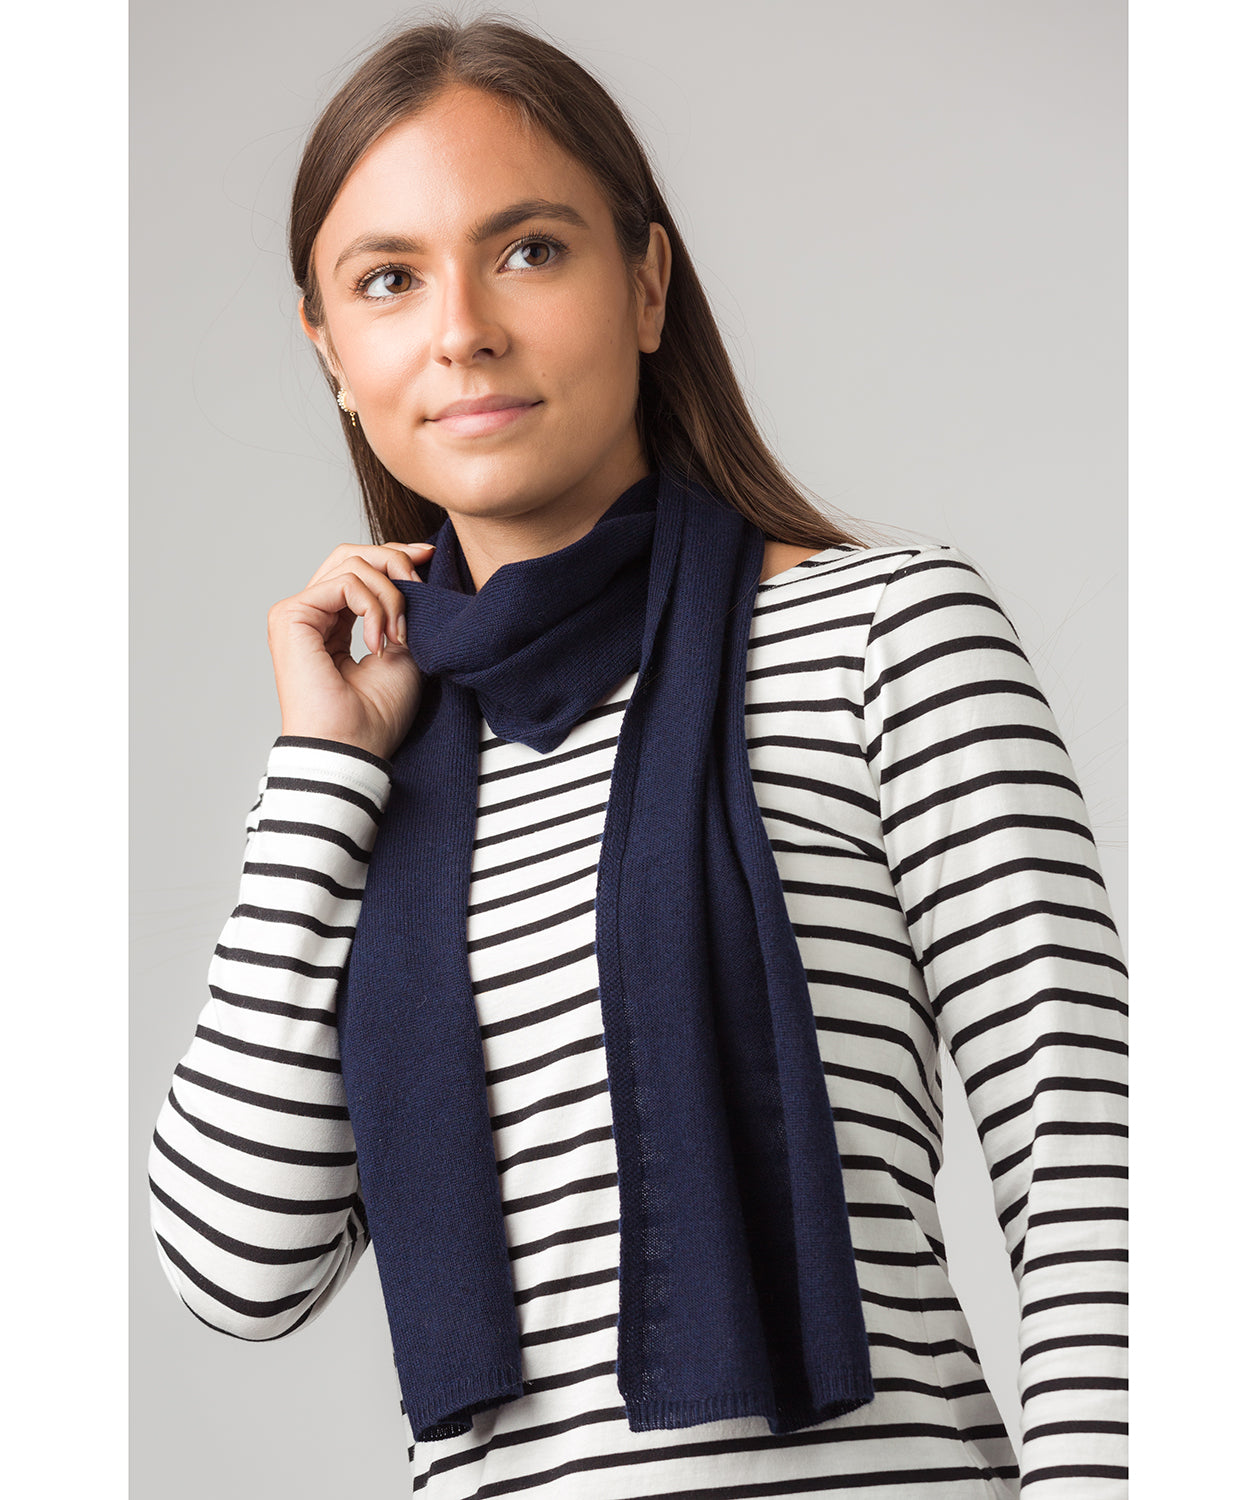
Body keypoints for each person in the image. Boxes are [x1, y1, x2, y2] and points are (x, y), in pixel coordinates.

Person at [147, 13, 1128, 1498]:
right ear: (331, 350)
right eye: (389, 279)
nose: (462, 328)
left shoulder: (885, 634)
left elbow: (1092, 1174)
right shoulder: (373, 758)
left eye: (528, 250)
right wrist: (320, 778)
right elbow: (237, 1268)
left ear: (647, 282)